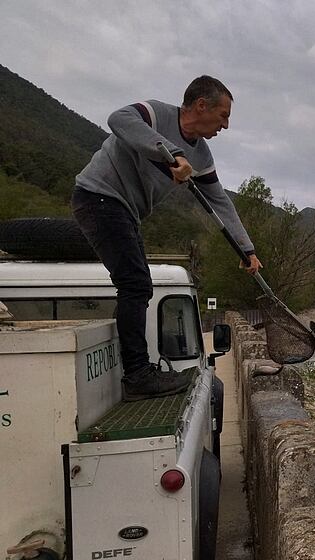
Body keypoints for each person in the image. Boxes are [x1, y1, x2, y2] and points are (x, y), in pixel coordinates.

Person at [72, 75, 262, 401]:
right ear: (201, 105)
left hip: (127, 213)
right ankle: (137, 376)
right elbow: (118, 119)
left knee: (137, 284)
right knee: (136, 284)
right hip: (98, 197)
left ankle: (136, 369)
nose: (226, 125)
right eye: (223, 116)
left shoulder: (202, 157)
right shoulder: (155, 114)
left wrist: (247, 249)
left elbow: (220, 202)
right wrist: (170, 153)